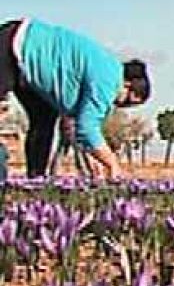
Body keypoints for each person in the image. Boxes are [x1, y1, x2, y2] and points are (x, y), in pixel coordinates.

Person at [0, 18, 151, 180]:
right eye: (126, 102)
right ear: (127, 84)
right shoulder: (108, 80)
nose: (118, 105)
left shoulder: (106, 70)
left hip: (26, 62)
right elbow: (87, 128)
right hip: (13, 45)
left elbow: (80, 128)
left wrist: (95, 157)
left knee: (44, 121)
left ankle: (35, 181)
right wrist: (112, 163)